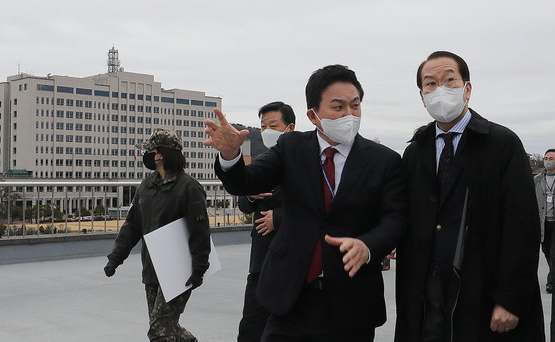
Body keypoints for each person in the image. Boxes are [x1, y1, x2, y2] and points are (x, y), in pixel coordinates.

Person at [204, 64, 406, 341]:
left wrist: (369, 246)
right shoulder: (291, 148)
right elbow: (246, 182)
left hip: (352, 303)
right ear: (313, 115)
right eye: (338, 107)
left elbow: (395, 219)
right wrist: (230, 155)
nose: (349, 114)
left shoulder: (384, 161)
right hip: (290, 296)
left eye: (355, 106)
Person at [395, 51, 544, 341]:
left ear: (467, 89)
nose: (440, 90)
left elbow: (522, 226)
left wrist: (510, 298)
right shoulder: (416, 151)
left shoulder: (501, 144)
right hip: (428, 291)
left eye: (449, 80)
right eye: (430, 84)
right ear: (422, 95)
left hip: (482, 289)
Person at [103, 129, 211, 342]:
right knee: (164, 325)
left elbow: (200, 231)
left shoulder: (189, 188)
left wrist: (199, 267)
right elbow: (133, 224)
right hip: (152, 267)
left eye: (151, 151)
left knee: (158, 330)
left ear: (162, 154)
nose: (149, 155)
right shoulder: (147, 185)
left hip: (179, 270)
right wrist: (115, 258)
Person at [237, 101, 296, 342]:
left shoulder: (307, 163)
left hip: (292, 260)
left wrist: (279, 218)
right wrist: (250, 195)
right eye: (263, 126)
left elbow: (320, 207)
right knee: (252, 326)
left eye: (273, 125)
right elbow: (242, 202)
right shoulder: (263, 160)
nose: (267, 131)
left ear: (290, 128)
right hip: (261, 260)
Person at [535, 149, 555, 293]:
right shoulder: (537, 180)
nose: (548, 160)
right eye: (546, 158)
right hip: (543, 223)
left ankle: (551, 282)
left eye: (551, 158)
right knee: (547, 252)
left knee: (554, 253)